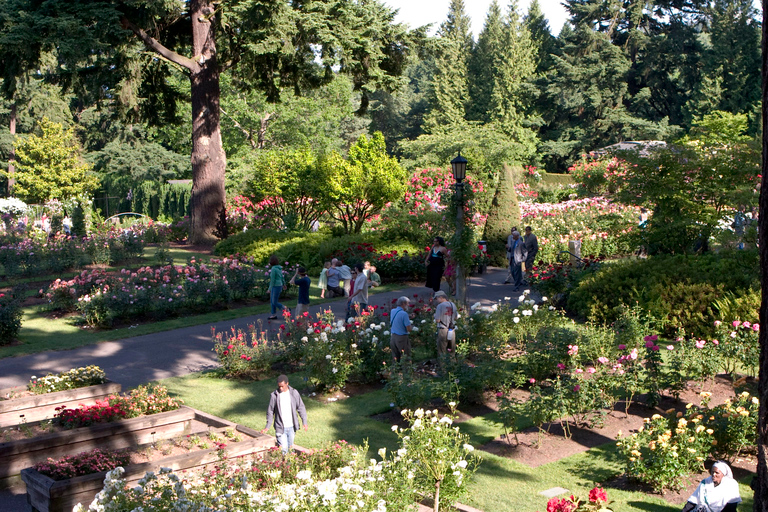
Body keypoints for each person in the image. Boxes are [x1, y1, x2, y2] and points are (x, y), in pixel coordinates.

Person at [261, 375, 308, 454]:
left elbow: (301, 407)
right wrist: (267, 426)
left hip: (291, 427)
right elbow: (270, 411)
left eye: (282, 386)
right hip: (280, 428)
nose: (280, 388)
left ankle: (290, 465)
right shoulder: (274, 395)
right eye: (279, 386)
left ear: (287, 384)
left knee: (290, 448)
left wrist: (304, 422)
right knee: (283, 449)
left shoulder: (294, 393)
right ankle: (285, 464)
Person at [433, 290, 457, 357]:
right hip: (451, 329)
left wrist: (435, 316)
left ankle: (443, 366)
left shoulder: (440, 306)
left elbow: (437, 320)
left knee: (442, 350)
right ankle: (453, 365)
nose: (436, 300)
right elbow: (456, 317)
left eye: (436, 298)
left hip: (443, 329)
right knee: (452, 350)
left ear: (441, 297)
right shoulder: (453, 305)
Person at [390, 296, 412, 363]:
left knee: (395, 357)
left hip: (393, 337)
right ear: (403, 303)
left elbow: (398, 318)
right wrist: (412, 327)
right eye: (407, 303)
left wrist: (409, 316)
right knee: (405, 356)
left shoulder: (393, 311)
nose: (408, 305)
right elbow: (409, 329)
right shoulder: (404, 314)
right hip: (402, 338)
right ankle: (406, 372)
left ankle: (395, 371)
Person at [267, 255, 287, 320]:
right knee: (272, 301)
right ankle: (273, 314)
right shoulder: (279, 268)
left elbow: (272, 280)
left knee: (274, 301)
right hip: (279, 285)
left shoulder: (273, 269)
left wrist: (269, 289)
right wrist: (284, 284)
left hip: (275, 286)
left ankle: (284, 308)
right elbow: (281, 277)